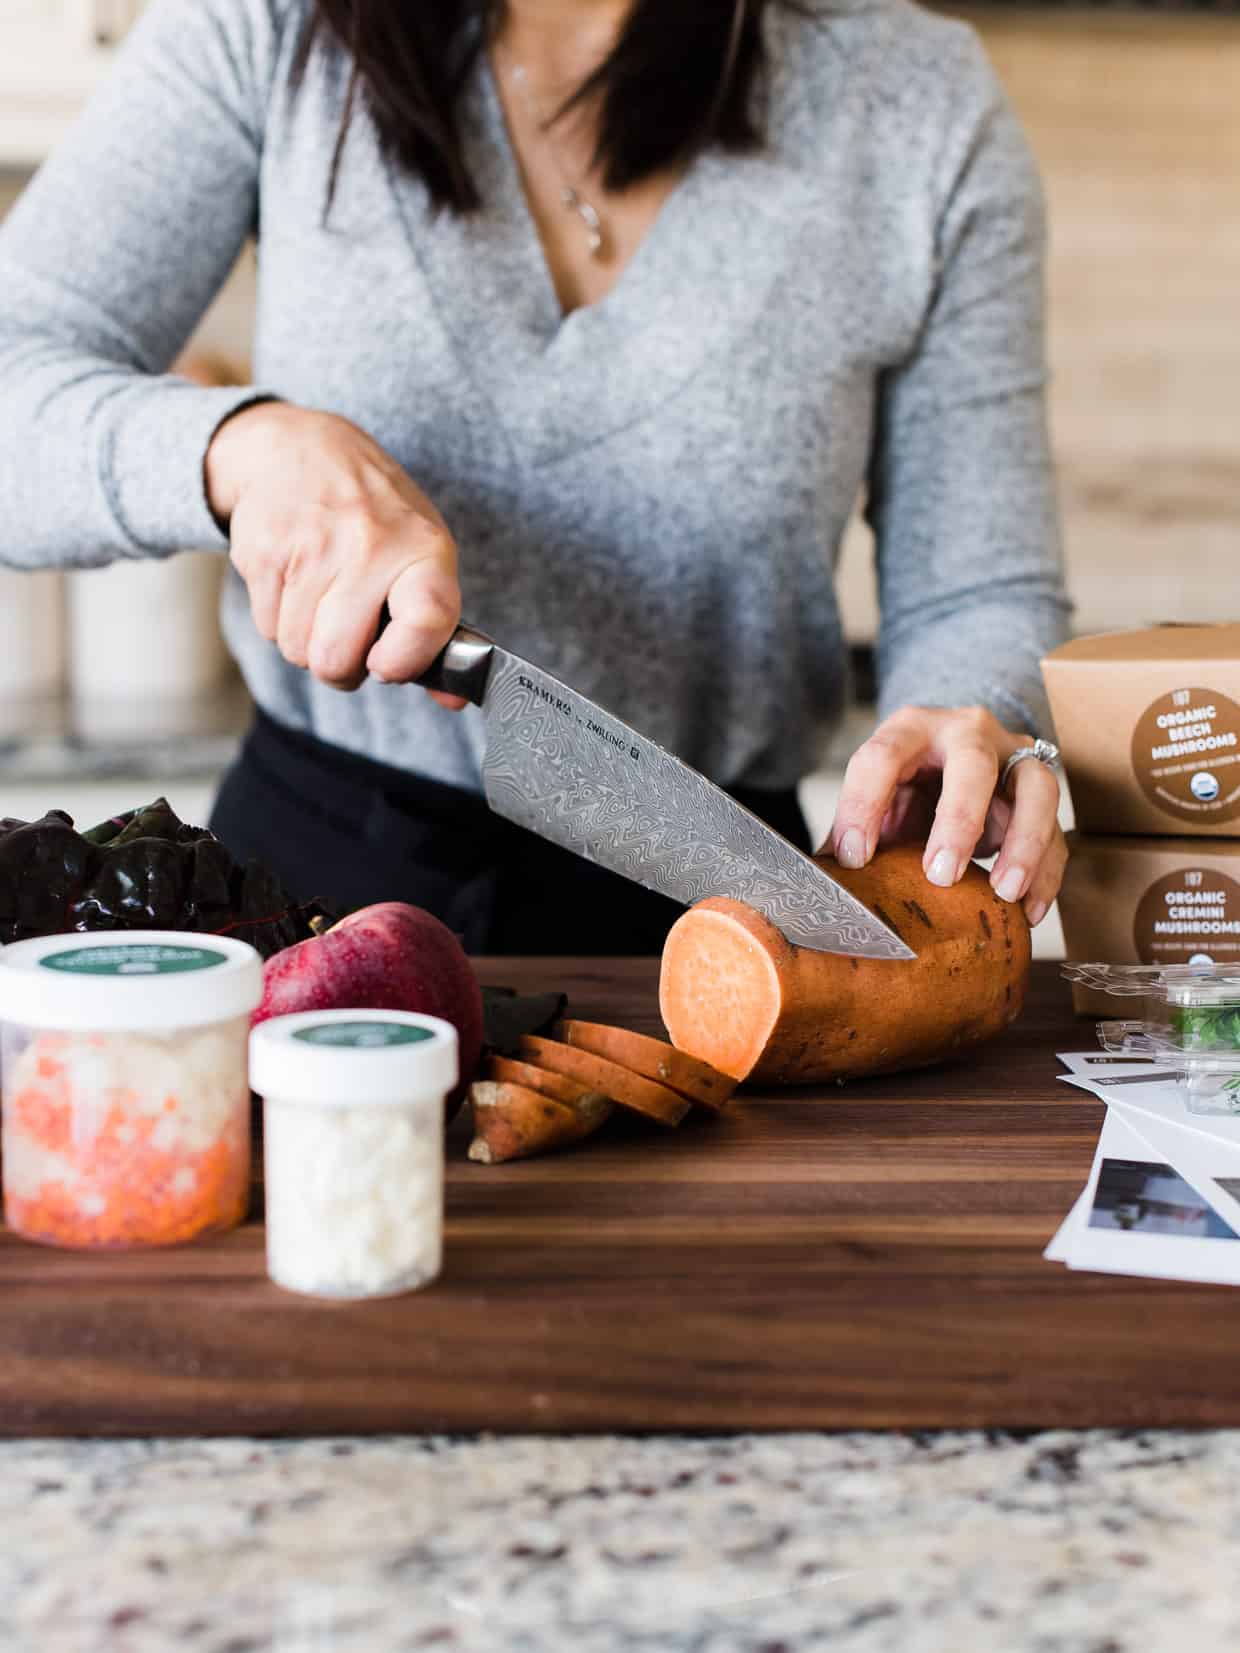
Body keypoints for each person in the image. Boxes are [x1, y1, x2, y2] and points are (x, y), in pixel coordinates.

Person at [0, 0, 1071, 954]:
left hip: (716, 931)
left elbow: (979, 589)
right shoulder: (268, 31)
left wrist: (968, 712)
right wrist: (239, 448)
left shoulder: (921, 105)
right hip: (294, 909)